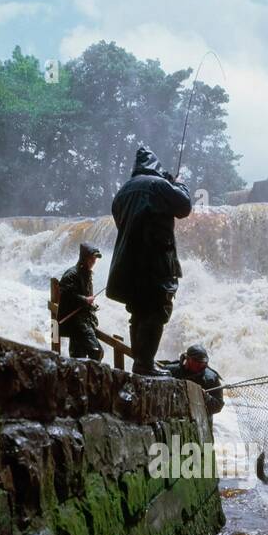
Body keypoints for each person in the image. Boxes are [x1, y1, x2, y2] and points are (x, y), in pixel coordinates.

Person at [105, 144, 192, 375]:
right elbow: (184, 206)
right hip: (156, 262)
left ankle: (140, 363)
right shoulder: (158, 185)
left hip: (129, 264)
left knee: (138, 312)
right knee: (157, 309)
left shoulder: (123, 192)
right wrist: (179, 183)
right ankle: (146, 364)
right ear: (156, 167)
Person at [57, 242, 104, 361]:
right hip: (76, 322)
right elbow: (66, 296)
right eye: (91, 259)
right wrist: (85, 299)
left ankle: (85, 378)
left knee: (78, 357)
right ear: (84, 258)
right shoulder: (71, 274)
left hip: (85, 320)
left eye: (94, 259)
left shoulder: (87, 274)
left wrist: (91, 305)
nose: (93, 261)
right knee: (96, 352)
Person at [161, 343, 224, 413]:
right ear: (187, 359)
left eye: (203, 362)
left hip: (199, 417)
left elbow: (218, 406)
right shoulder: (171, 371)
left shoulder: (211, 378)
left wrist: (205, 397)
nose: (200, 364)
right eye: (196, 361)